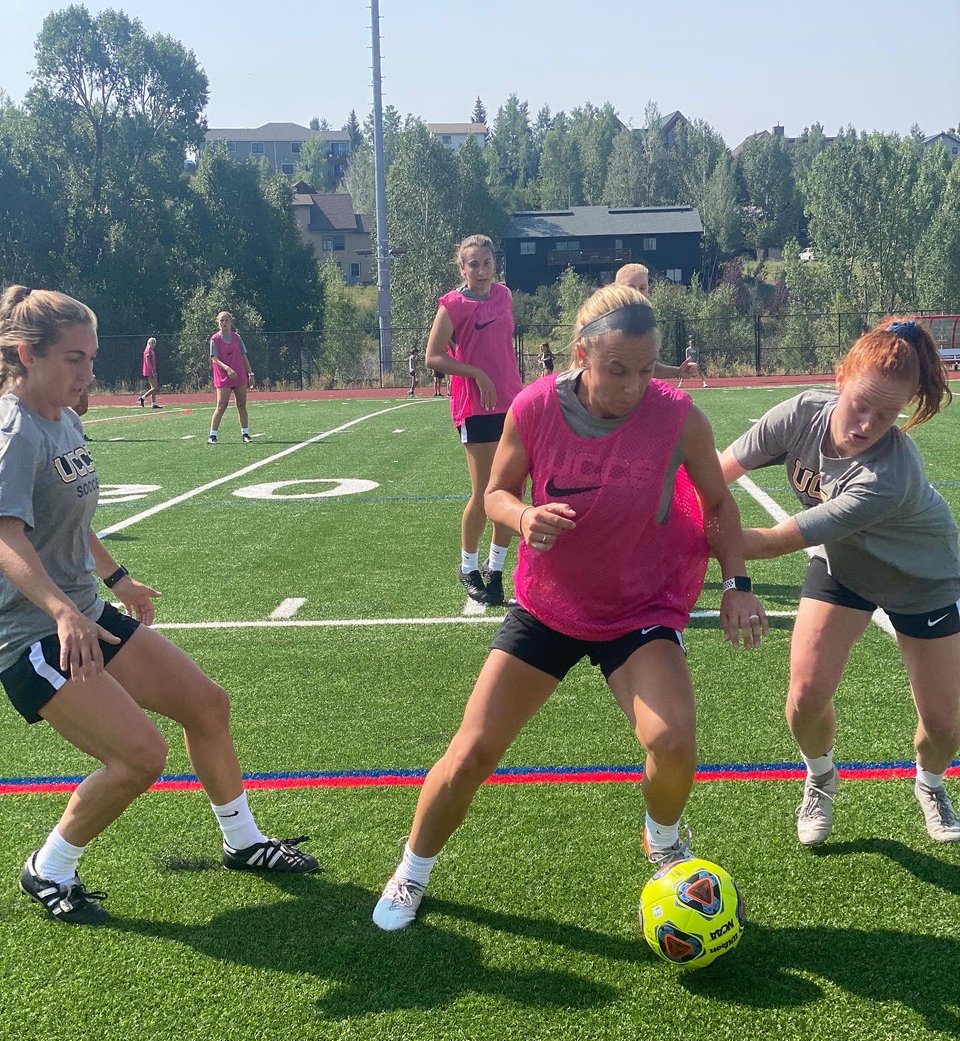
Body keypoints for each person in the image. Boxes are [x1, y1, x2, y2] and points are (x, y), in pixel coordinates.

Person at [373, 284, 767, 931]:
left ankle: (663, 839)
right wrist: (524, 517)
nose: (634, 384)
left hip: (641, 604)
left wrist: (737, 583)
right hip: (548, 606)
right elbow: (497, 491)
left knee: (672, 742)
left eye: (645, 368)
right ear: (581, 354)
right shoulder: (534, 409)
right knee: (473, 751)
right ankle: (412, 871)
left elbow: (719, 504)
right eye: (617, 369)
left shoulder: (678, 416)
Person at [0, 286, 316, 925]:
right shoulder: (15, 431)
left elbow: (72, 518)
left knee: (206, 704)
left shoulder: (63, 416)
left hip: (86, 612)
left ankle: (243, 841)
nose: (88, 373)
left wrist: (117, 580)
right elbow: (5, 534)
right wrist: (63, 612)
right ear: (26, 356)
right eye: (73, 359)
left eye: (90, 357)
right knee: (140, 757)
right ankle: (50, 866)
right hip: (33, 633)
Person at [719, 317, 960, 847]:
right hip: (844, 567)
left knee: (944, 726)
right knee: (805, 695)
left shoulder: (887, 476)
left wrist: (694, 547)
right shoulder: (802, 413)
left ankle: (931, 782)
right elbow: (714, 474)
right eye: (860, 405)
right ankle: (821, 777)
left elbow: (773, 542)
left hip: (923, 580)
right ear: (841, 376)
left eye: (887, 414)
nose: (866, 424)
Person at [426, 234, 525, 608]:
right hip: (475, 407)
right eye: (473, 264)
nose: (481, 270)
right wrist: (475, 373)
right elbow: (433, 357)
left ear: (494, 263)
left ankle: (496, 570)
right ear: (462, 268)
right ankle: (468, 568)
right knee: (485, 494)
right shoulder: (452, 305)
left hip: (511, 405)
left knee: (512, 495)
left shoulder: (504, 295)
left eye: (486, 262)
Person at [614, 263, 703, 385]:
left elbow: (646, 366)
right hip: (609, 395)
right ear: (616, 290)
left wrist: (677, 371)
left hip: (635, 390)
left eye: (642, 288)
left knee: (683, 402)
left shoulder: (643, 321)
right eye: (631, 287)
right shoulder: (605, 320)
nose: (637, 293)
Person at [208, 312, 254, 444]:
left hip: (239, 375)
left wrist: (250, 373)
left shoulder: (236, 338)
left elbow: (243, 356)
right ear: (218, 323)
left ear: (231, 322)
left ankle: (245, 433)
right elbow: (214, 358)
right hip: (223, 377)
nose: (224, 323)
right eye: (221, 321)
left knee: (241, 404)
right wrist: (227, 369)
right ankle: (212, 435)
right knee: (221, 405)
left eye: (226, 320)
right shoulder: (215, 339)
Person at [138, 337, 162, 409]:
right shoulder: (148, 350)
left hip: (152, 370)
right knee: (155, 388)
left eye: (155, 343)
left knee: (153, 387)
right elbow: (147, 361)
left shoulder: (151, 350)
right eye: (153, 343)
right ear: (149, 343)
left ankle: (154, 403)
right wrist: (152, 370)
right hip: (150, 371)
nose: (154, 344)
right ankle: (143, 397)